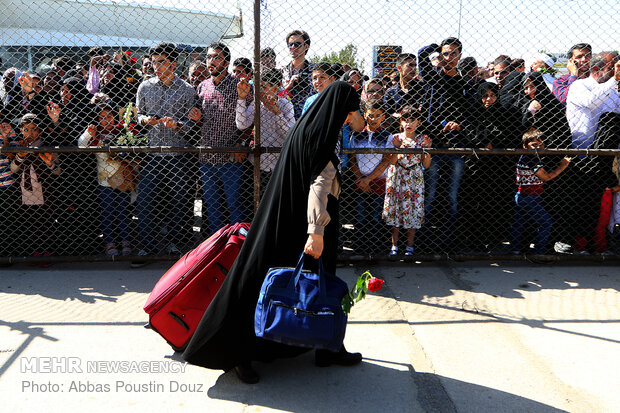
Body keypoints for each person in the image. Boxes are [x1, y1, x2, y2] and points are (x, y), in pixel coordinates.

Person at [183, 81, 361, 384]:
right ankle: (235, 353)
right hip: (303, 226)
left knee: (310, 282)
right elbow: (319, 186)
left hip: (286, 221)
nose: (349, 118)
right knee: (265, 284)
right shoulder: (321, 135)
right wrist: (315, 232)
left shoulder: (303, 127)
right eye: (348, 112)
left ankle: (328, 346)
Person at [134, 42, 201, 264]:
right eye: (153, 61)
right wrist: (145, 119)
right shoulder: (145, 87)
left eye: (160, 61)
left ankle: (175, 245)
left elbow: (193, 124)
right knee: (144, 201)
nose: (155, 65)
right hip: (153, 155)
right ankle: (148, 247)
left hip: (178, 154)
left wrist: (178, 125)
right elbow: (138, 115)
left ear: (173, 63)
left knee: (179, 201)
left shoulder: (187, 90)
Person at [418, 37, 472, 251]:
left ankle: (447, 241)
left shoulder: (465, 84)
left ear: (460, 56)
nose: (449, 58)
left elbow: (470, 115)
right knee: (429, 195)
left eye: (453, 54)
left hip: (456, 147)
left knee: (451, 197)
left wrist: (458, 125)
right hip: (434, 144)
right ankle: (424, 241)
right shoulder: (434, 78)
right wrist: (436, 48)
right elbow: (422, 54)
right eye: (445, 54)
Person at [565, 52, 620, 253]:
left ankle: (598, 244)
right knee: (580, 204)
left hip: (603, 158)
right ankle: (577, 245)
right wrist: (614, 79)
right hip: (579, 155)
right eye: (611, 67)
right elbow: (591, 102)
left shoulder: (613, 91)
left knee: (597, 205)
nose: (616, 71)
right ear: (596, 70)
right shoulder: (580, 86)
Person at [198, 42, 249, 235]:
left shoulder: (240, 86)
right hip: (207, 158)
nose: (211, 61)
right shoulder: (202, 86)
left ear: (226, 62)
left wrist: (241, 144)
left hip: (231, 158)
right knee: (213, 207)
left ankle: (238, 247)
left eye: (216, 57)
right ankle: (216, 248)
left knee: (235, 205)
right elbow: (198, 121)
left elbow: (252, 120)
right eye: (209, 57)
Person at [78, 103, 133, 256]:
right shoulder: (96, 135)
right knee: (107, 212)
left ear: (115, 117)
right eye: (102, 117)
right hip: (104, 181)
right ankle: (110, 242)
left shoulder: (121, 132)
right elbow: (81, 145)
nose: (106, 120)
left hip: (122, 180)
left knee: (123, 211)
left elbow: (131, 150)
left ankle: (125, 241)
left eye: (109, 116)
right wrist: (88, 133)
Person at [510, 129, 571, 255]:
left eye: (541, 144)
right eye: (534, 145)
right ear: (525, 146)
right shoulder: (530, 159)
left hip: (523, 196)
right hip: (529, 198)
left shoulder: (527, 157)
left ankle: (515, 250)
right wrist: (563, 166)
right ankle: (539, 250)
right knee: (545, 222)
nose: (539, 147)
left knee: (520, 223)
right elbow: (546, 177)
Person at [236, 67, 295, 195]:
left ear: (275, 87)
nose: (259, 91)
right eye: (257, 86)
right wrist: (241, 99)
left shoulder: (285, 105)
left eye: (263, 86)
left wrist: (277, 113)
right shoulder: (256, 104)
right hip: (258, 163)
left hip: (278, 165)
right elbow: (241, 124)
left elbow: (291, 134)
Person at [10, 114, 61, 258]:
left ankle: (47, 251)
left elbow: (57, 171)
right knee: (29, 222)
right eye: (26, 129)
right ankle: (33, 252)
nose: (30, 133)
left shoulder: (46, 146)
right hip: (24, 191)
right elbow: (13, 169)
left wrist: (49, 162)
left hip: (44, 191)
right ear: (21, 130)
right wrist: (20, 156)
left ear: (39, 131)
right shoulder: (19, 146)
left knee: (46, 222)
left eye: (33, 129)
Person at [383, 106, 431, 256]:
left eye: (412, 120)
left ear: (419, 122)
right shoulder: (394, 138)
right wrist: (397, 149)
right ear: (401, 122)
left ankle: (410, 246)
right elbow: (391, 162)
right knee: (396, 209)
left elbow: (426, 164)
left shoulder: (422, 139)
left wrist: (427, 149)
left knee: (413, 209)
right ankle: (394, 245)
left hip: (414, 178)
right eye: (405, 120)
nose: (408, 124)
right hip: (397, 176)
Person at [349, 101, 393, 254]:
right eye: (370, 116)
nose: (373, 119)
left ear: (383, 117)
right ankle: (359, 248)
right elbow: (352, 159)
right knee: (360, 215)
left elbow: (386, 161)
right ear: (365, 116)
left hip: (379, 181)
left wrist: (368, 179)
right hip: (359, 180)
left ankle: (374, 249)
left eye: (377, 116)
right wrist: (360, 179)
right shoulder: (357, 135)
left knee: (376, 216)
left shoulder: (387, 136)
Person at [281, 30, 314, 119]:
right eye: (290, 44)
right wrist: (289, 86)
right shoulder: (282, 71)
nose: (293, 47)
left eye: (297, 44)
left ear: (306, 46)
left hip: (310, 117)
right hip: (287, 118)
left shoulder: (315, 71)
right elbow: (277, 94)